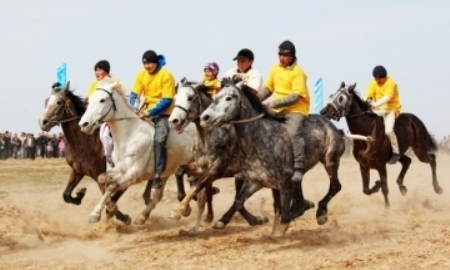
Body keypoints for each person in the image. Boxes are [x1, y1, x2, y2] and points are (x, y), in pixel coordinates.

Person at [257, 40, 310, 182]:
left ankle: (299, 167)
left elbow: (295, 97)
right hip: (277, 108)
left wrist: (274, 103)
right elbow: (268, 89)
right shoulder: (275, 68)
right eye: (280, 55)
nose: (282, 58)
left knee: (293, 132)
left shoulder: (297, 72)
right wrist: (255, 99)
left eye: (285, 56)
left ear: (292, 56)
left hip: (296, 109)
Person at [130, 50, 176, 189]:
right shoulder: (140, 74)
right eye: (145, 63)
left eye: (150, 63)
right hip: (143, 112)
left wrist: (149, 113)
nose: (147, 66)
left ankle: (158, 173)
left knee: (159, 139)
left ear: (156, 62)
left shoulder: (166, 75)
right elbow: (133, 94)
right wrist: (134, 108)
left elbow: (167, 100)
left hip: (163, 114)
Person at [86, 60, 125, 169]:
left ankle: (109, 158)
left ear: (106, 71)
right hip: (95, 118)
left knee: (104, 135)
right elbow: (90, 103)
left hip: (111, 118)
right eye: (95, 70)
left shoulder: (114, 83)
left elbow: (121, 100)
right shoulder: (93, 85)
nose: (97, 72)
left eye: (100, 70)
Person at [365, 65, 401, 164]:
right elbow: (368, 95)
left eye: (380, 78)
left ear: (385, 77)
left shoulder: (391, 83)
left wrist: (375, 104)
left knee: (388, 131)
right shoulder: (373, 83)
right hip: (378, 111)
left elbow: (387, 98)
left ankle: (396, 152)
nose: (378, 80)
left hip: (390, 110)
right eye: (376, 78)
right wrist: (368, 101)